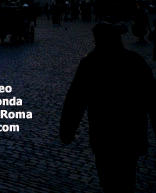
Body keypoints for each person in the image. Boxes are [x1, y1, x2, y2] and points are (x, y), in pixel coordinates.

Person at [60, 22, 156, 192]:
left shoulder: (90, 63)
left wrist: (67, 130)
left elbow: (75, 100)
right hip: (131, 132)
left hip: (103, 133)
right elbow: (152, 98)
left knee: (108, 181)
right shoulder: (134, 60)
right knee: (128, 179)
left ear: (97, 40)